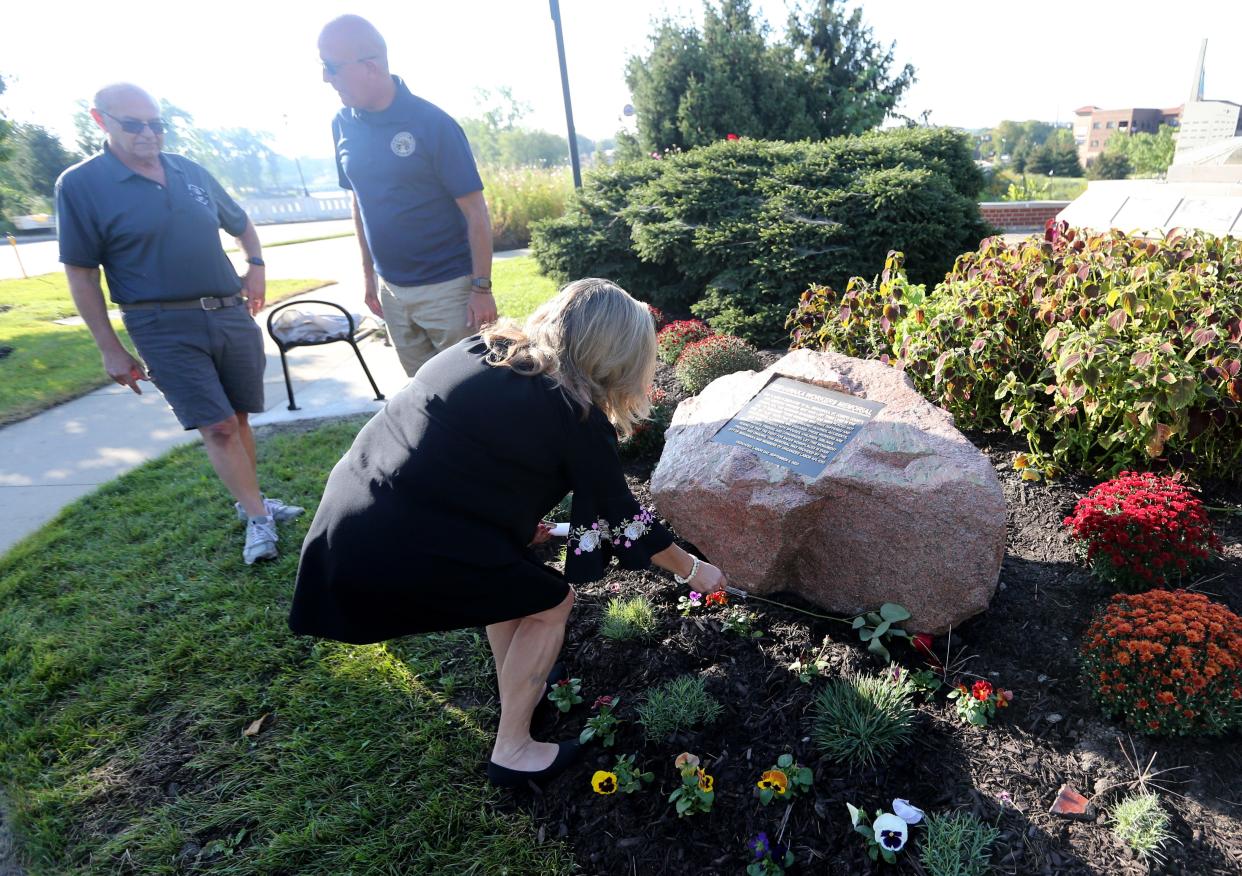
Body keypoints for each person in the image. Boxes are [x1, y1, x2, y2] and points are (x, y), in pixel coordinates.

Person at [289, 279, 727, 786]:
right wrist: (694, 569)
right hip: (395, 544)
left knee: (510, 586)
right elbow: (625, 520)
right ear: (618, 358)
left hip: (356, 509)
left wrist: (509, 519)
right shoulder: (576, 415)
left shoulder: (483, 350)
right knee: (552, 601)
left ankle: (519, 684)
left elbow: (455, 450)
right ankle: (514, 749)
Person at [55, 83, 302, 566]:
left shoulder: (190, 170)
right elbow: (81, 273)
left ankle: (256, 502)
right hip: (160, 323)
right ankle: (257, 517)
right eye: (134, 124)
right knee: (218, 427)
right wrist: (109, 347)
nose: (149, 134)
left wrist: (255, 264)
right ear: (100, 120)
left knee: (239, 416)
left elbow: (240, 220)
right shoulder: (81, 184)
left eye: (156, 123)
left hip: (228, 313)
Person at [318, 14, 497, 378]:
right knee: (424, 399)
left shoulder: (432, 123)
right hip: (392, 293)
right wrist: (369, 276)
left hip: (449, 290)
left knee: (473, 392)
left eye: (331, 67)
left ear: (370, 65)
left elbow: (476, 212)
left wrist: (481, 288)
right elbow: (359, 201)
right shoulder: (342, 124)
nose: (325, 78)